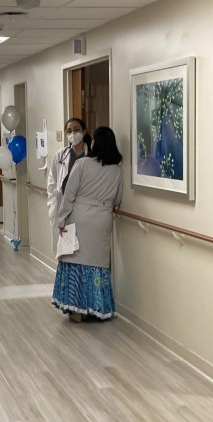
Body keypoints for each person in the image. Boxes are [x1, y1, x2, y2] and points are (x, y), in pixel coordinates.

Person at [52, 126, 123, 322]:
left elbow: (69, 195)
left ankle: (76, 309)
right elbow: (118, 199)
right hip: (103, 219)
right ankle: (97, 307)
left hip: (81, 217)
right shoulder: (117, 170)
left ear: (95, 144)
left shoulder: (82, 164)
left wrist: (61, 220)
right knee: (98, 264)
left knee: (75, 261)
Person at [47, 117, 91, 253]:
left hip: (84, 208)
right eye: (69, 131)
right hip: (63, 208)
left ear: (84, 132)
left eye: (76, 130)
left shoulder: (91, 155)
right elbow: (52, 181)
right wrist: (52, 203)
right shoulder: (61, 155)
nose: (73, 134)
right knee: (65, 251)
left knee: (83, 250)